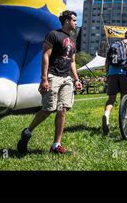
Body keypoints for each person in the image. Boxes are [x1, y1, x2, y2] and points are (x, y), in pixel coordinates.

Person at [17, 10, 82, 154]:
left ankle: (56, 145)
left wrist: (76, 79)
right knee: (48, 108)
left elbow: (72, 62)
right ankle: (27, 132)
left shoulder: (72, 41)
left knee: (62, 109)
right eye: (74, 20)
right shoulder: (53, 35)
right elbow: (45, 56)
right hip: (53, 76)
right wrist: (44, 78)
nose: (76, 23)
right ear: (66, 21)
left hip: (67, 78)